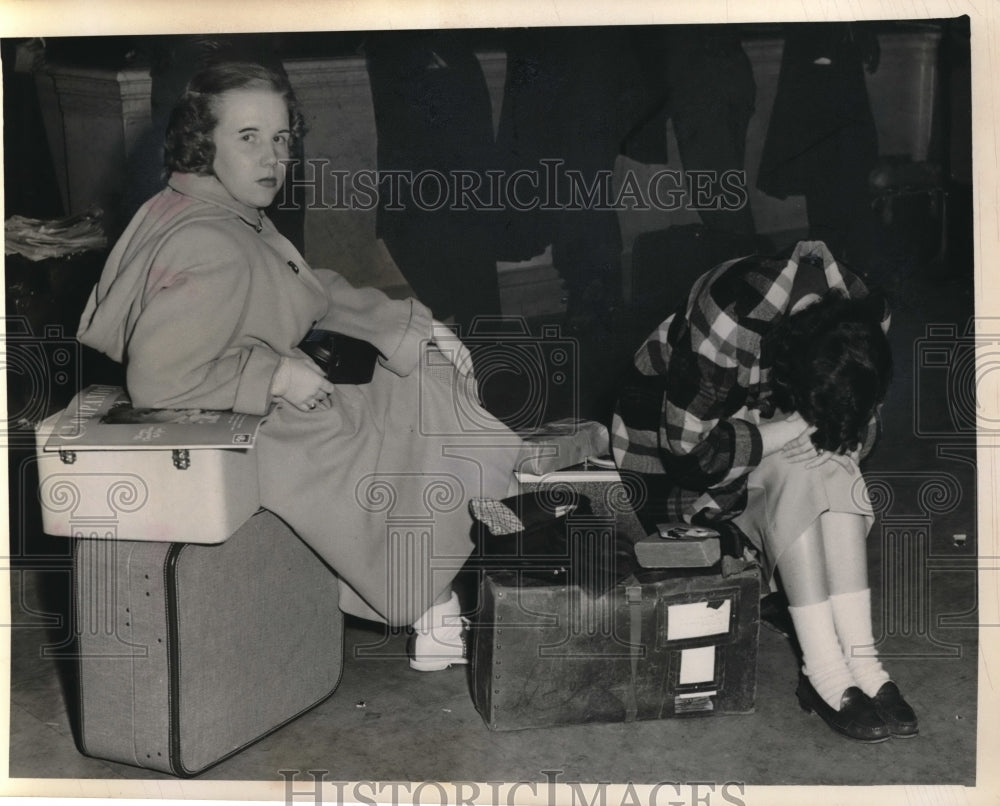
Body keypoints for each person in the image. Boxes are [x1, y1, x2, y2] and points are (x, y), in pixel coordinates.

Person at [77, 61, 523, 672]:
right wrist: (278, 376)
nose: (273, 156)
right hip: (248, 435)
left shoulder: (202, 203)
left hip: (241, 408)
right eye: (249, 137)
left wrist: (411, 327)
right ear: (203, 142)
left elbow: (308, 286)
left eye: (282, 137)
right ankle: (437, 599)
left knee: (413, 377)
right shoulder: (212, 245)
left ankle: (464, 545)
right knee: (403, 409)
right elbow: (156, 382)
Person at [611, 240, 918, 742]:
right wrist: (791, 429)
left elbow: (862, 421)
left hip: (766, 434)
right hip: (677, 465)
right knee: (799, 471)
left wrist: (829, 437)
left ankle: (864, 664)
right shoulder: (734, 308)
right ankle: (825, 672)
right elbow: (690, 451)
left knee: (834, 467)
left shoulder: (866, 307)